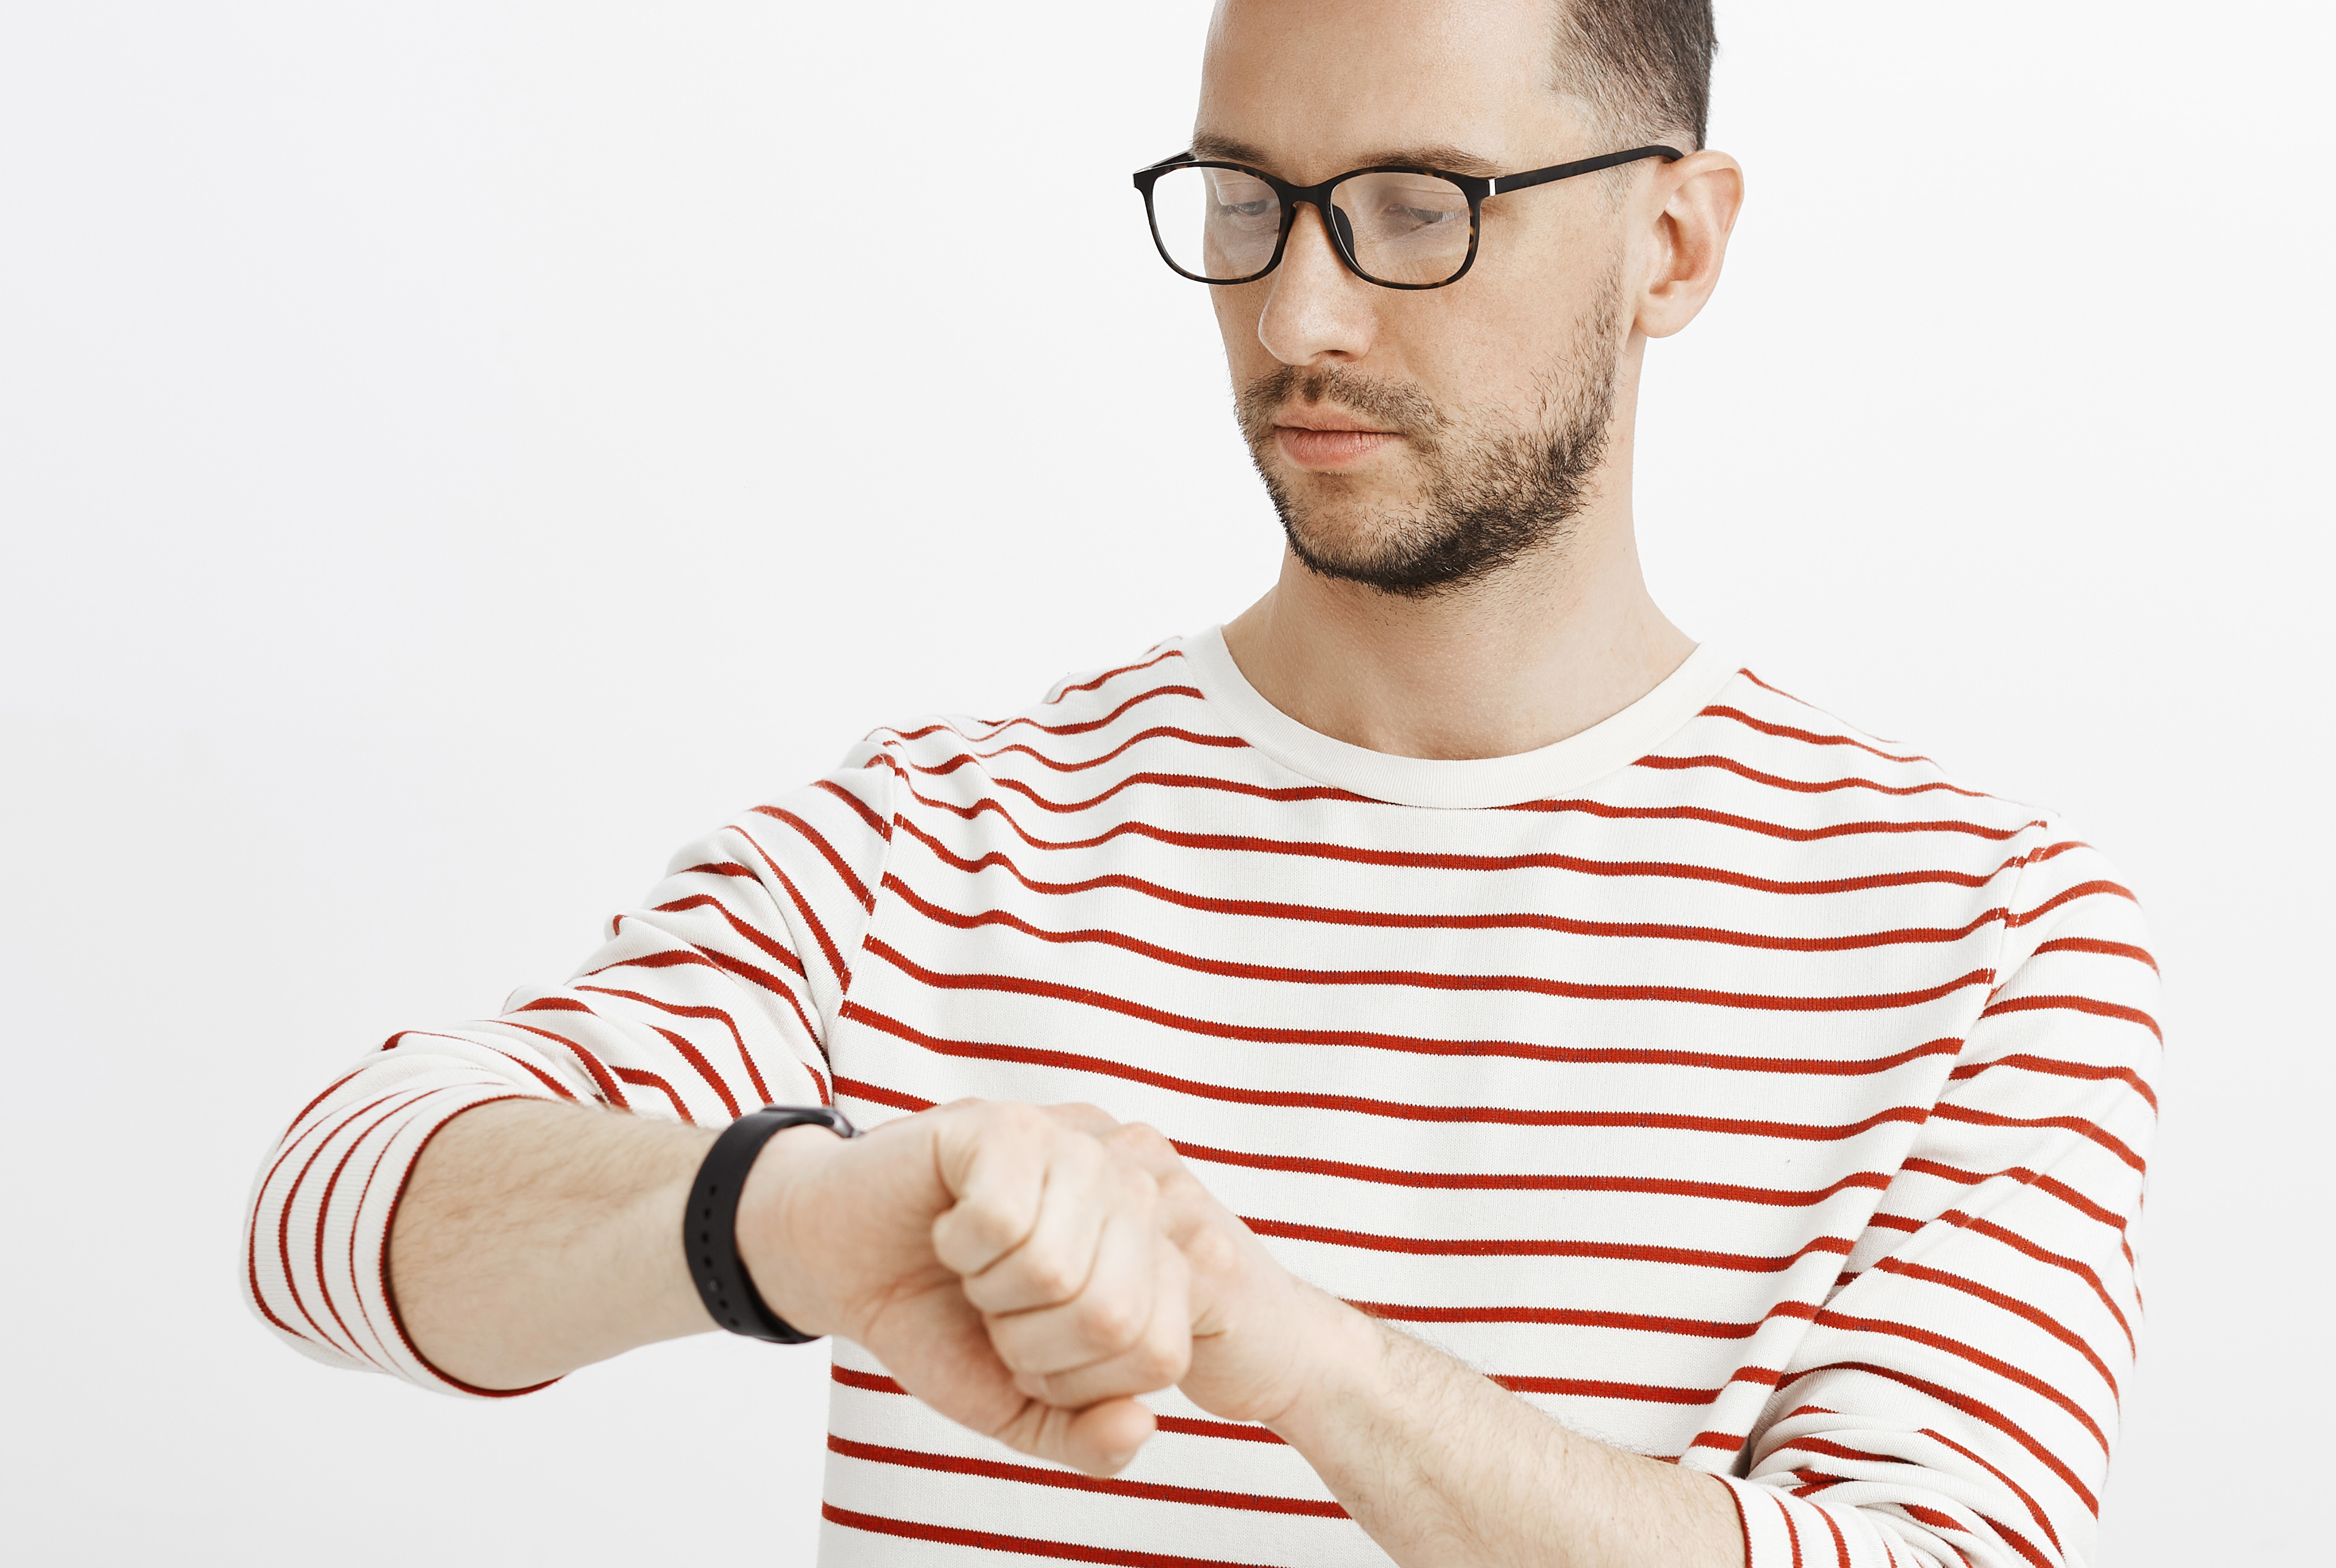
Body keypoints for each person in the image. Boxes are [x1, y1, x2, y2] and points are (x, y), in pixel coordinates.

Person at [243, 1, 2158, 1562]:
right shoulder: (939, 835)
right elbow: (330, 1213)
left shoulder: (1986, 932)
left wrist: (1305, 1364)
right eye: (1245, 201)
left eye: (1417, 207)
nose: (1298, 318)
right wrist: (803, 1218)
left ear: (1674, 241)